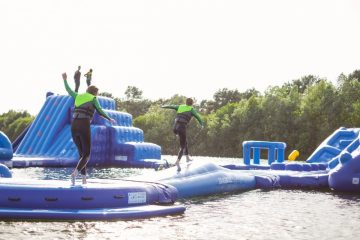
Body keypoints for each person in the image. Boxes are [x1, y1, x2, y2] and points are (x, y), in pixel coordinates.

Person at [62, 72, 115, 185]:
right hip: (83, 124)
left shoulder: (78, 96)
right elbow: (100, 111)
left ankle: (84, 179)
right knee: (87, 154)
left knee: (82, 154)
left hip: (74, 125)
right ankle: (75, 173)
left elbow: (69, 90)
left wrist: (65, 79)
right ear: (95, 93)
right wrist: (109, 118)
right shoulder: (93, 98)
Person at [161, 98, 204, 171]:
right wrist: (202, 124)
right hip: (181, 128)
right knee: (182, 146)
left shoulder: (180, 106)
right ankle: (177, 161)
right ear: (192, 103)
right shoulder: (191, 109)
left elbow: (171, 106)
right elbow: (198, 116)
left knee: (185, 141)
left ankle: (187, 158)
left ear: (186, 102)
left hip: (175, 128)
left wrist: (163, 106)